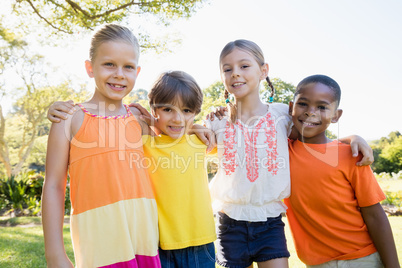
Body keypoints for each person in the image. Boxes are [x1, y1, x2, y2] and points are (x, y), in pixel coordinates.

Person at [205, 39, 374, 268]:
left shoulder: (282, 116)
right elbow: (191, 141)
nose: (235, 73)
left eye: (244, 66)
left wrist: (352, 138)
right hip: (229, 222)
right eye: (227, 69)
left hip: (270, 223)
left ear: (264, 70)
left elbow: (314, 136)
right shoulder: (217, 120)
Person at [42, 24, 161, 268]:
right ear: (90, 68)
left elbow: (174, 139)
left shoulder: (140, 119)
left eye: (128, 67)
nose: (119, 74)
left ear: (137, 71)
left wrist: (201, 127)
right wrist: (54, 253)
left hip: (143, 239)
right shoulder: (68, 118)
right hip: (100, 241)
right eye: (109, 64)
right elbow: (53, 185)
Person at [284, 74, 400, 268]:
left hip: (363, 259)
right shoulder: (281, 151)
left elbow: (374, 215)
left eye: (322, 107)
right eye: (303, 104)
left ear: (336, 115)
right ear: (291, 107)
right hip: (316, 263)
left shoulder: (351, 155)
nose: (311, 112)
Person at [138, 71, 216, 267]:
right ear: (154, 109)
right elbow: (128, 114)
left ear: (196, 112)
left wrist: (195, 126)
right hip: (160, 244)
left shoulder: (200, 140)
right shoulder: (146, 143)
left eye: (187, 111)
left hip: (201, 242)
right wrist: (151, 121)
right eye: (167, 109)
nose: (177, 119)